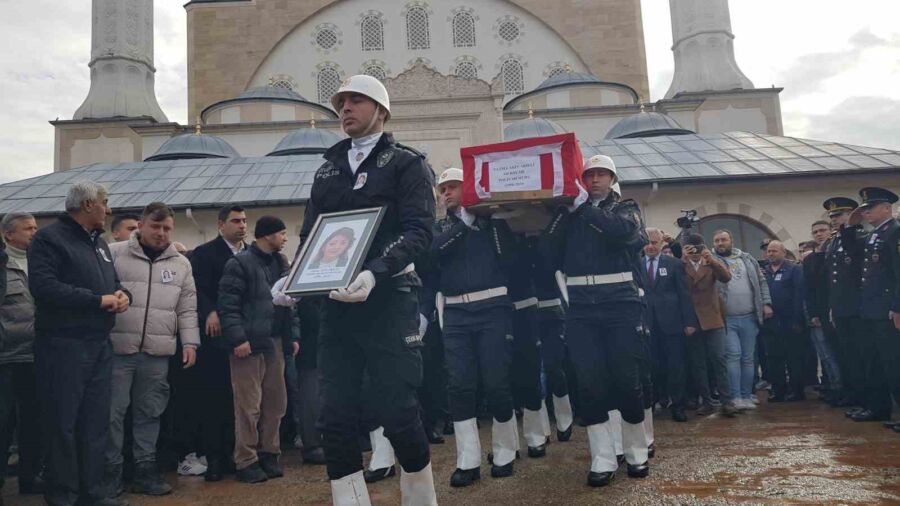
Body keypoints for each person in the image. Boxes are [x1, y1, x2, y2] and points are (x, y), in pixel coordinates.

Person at [300, 75, 437, 504]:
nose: (344, 108)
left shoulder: (406, 163)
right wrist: (295, 278)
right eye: (340, 102)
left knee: (397, 409)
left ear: (380, 109)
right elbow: (310, 236)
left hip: (389, 299)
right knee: (335, 418)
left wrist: (376, 272)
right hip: (337, 306)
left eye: (355, 100)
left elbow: (419, 230)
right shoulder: (327, 169)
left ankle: (420, 498)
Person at [543, 154, 650, 487]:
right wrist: (565, 210)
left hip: (619, 302)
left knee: (625, 378)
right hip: (581, 306)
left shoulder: (625, 207)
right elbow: (546, 251)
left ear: (612, 179)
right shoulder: (571, 214)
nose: (594, 180)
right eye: (589, 175)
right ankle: (603, 457)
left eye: (602, 174)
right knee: (590, 384)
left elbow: (627, 234)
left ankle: (635, 451)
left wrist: (585, 209)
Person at [29, 182, 131, 506]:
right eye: (105, 202)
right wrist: (97, 301)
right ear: (88, 205)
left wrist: (122, 295)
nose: (109, 209)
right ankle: (63, 495)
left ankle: (92, 492)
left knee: (95, 423)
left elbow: (114, 283)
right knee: (64, 423)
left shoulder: (98, 243)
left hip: (99, 344)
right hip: (64, 345)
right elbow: (44, 287)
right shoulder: (49, 239)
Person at [429, 167, 518, 487]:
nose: (447, 193)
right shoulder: (439, 227)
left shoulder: (492, 224)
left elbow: (510, 257)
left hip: (492, 307)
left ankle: (506, 450)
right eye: (444, 189)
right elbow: (432, 254)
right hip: (455, 312)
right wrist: (462, 226)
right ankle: (468, 459)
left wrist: (487, 218)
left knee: (496, 381)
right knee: (460, 385)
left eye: (454, 187)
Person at [104, 203, 200, 498]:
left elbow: (187, 306)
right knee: (112, 414)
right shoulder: (114, 253)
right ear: (142, 225)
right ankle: (111, 474)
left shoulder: (181, 263)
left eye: (167, 228)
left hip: (157, 352)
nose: (161, 233)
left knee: (150, 412)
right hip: (118, 348)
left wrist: (191, 342)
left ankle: (146, 470)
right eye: (155, 227)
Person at [219, 215, 299, 483]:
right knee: (248, 404)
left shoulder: (281, 262)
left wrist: (293, 336)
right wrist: (238, 339)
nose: (285, 238)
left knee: (276, 403)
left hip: (275, 341)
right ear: (268, 235)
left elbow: (291, 302)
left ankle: (269, 452)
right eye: (282, 233)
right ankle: (246, 460)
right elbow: (228, 305)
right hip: (249, 343)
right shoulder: (240, 263)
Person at [188, 205, 248, 481]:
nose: (242, 226)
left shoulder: (251, 254)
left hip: (245, 337)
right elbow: (196, 288)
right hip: (215, 338)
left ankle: (239, 456)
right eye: (236, 221)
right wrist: (210, 310)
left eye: (245, 221)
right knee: (215, 399)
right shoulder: (204, 253)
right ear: (221, 225)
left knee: (243, 401)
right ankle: (215, 457)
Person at [842, 188, 900, 426]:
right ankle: (879, 408)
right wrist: (851, 226)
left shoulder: (895, 232)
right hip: (871, 309)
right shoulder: (875, 234)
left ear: (887, 207)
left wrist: (897, 307)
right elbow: (853, 251)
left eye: (870, 207)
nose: (866, 212)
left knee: (894, 362)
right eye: (864, 208)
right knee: (874, 361)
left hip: (888, 310)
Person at [0, 212, 43, 497]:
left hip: (37, 356)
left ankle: (29, 477)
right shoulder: (3, 266)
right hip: (5, 358)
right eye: (28, 228)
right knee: (3, 422)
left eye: (35, 227)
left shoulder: (42, 263)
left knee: (34, 420)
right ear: (7, 235)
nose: (34, 232)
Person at [713, 229, 773, 410]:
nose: (720, 243)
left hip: (749, 317)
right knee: (733, 355)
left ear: (731, 240)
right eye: (716, 241)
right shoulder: (712, 262)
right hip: (727, 319)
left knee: (748, 359)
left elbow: (761, 282)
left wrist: (766, 303)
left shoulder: (747, 259)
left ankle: (747, 395)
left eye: (723, 239)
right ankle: (735, 396)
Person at [642, 228, 697, 422]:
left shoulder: (673, 264)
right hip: (647, 325)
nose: (650, 246)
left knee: (676, 366)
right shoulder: (636, 265)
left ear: (661, 244)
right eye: (647, 242)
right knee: (652, 366)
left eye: (654, 243)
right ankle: (655, 401)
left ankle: (678, 405)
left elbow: (684, 295)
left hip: (672, 324)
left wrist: (689, 322)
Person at [681, 234, 738, 417]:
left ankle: (726, 401)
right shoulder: (680, 265)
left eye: (697, 248)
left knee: (719, 360)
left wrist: (712, 260)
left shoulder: (710, 263)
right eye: (691, 248)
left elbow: (726, 277)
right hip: (692, 320)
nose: (695, 252)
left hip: (713, 318)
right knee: (698, 363)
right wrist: (683, 259)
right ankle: (706, 400)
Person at [822, 197, 864, 410]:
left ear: (851, 215)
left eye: (838, 215)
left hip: (856, 306)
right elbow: (832, 277)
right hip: (840, 306)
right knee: (846, 354)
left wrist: (849, 227)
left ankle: (864, 396)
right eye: (832, 216)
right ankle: (853, 393)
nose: (834, 220)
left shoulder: (858, 235)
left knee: (860, 354)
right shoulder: (834, 240)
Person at [761, 241, 806, 402]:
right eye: (769, 251)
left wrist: (797, 320)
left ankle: (796, 390)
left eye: (774, 251)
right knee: (774, 357)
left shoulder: (794, 269)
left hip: (790, 321)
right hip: (771, 322)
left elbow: (799, 295)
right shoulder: (764, 272)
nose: (770, 254)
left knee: (793, 358)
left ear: (783, 253)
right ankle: (777, 390)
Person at [803, 220, 843, 404]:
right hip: (820, 312)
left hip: (837, 310)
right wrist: (813, 314)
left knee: (842, 353)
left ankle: (845, 389)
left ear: (831, 231)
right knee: (826, 356)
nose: (819, 234)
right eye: (815, 232)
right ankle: (835, 388)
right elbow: (809, 289)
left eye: (823, 230)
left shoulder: (836, 253)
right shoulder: (810, 259)